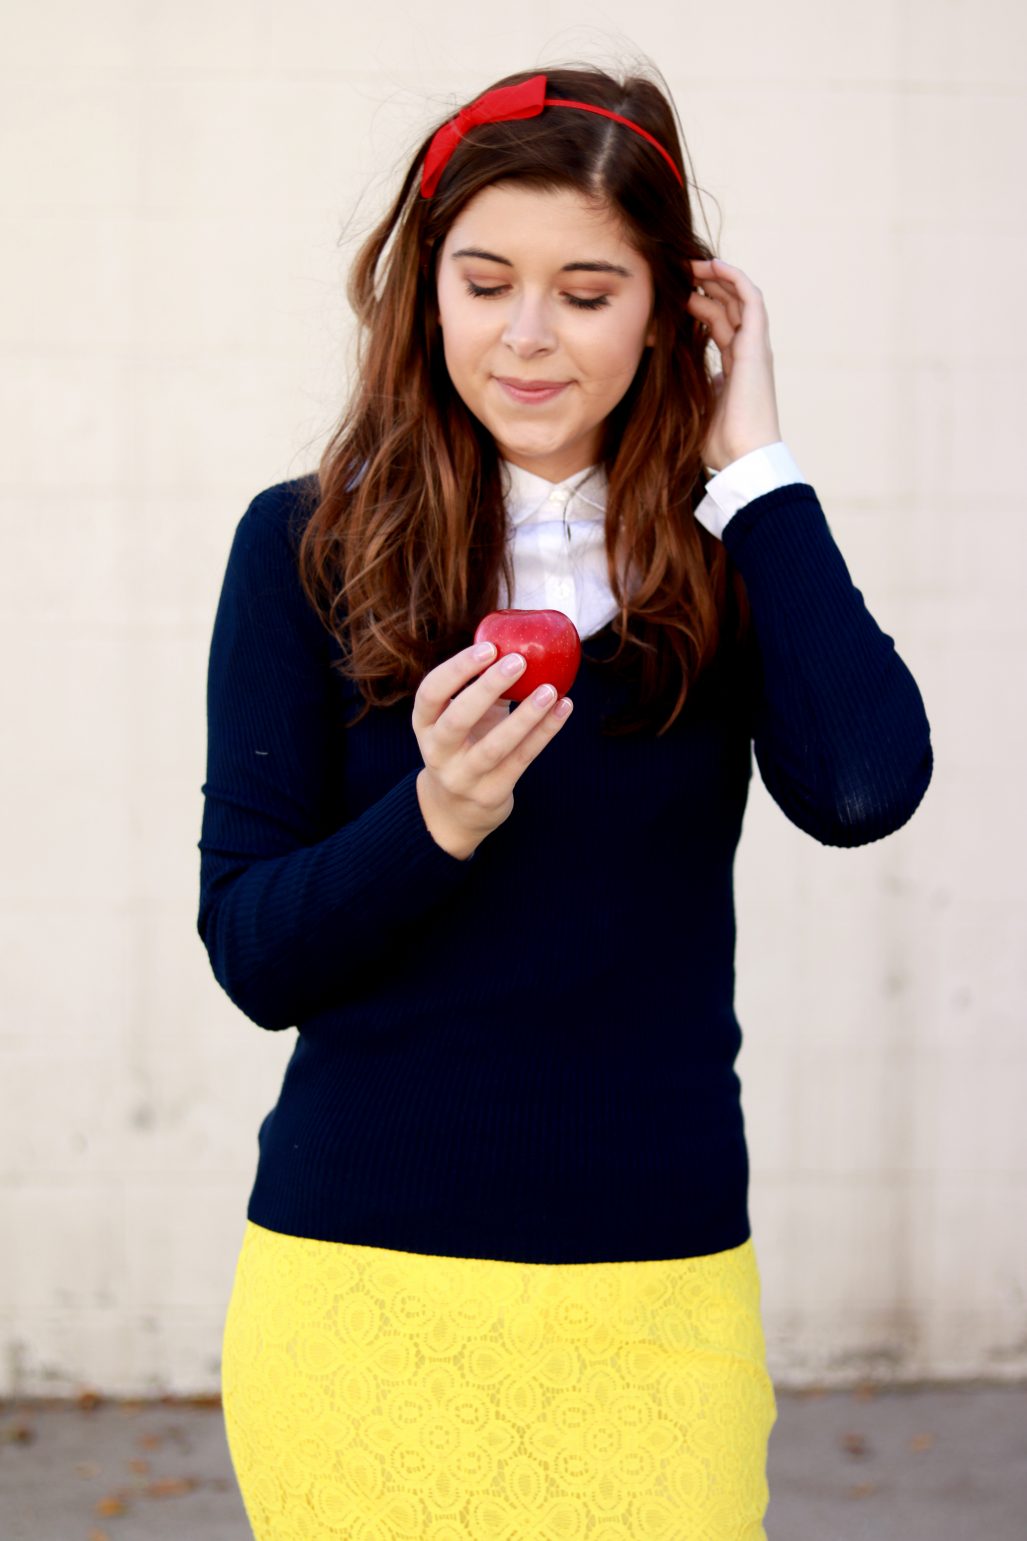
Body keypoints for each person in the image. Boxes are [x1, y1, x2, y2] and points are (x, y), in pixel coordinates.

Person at [198, 63, 933, 1540]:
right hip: (358, 1284)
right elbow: (254, 951)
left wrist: (759, 468)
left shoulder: (725, 562)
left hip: (654, 1292)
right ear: (428, 298)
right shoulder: (305, 548)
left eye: (588, 292)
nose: (528, 337)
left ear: (669, 311)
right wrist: (437, 820)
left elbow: (861, 787)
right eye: (486, 282)